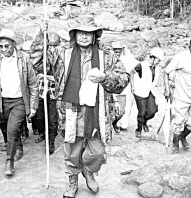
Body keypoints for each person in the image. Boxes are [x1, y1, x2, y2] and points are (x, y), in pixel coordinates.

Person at [38, 16, 129, 198]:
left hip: (97, 112)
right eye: (81, 32)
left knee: (97, 153)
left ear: (95, 35)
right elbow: (38, 61)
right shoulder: (63, 53)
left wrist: (105, 78)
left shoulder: (106, 56)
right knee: (72, 151)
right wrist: (42, 34)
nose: (84, 36)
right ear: (74, 34)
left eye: (88, 33)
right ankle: (72, 180)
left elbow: (124, 78)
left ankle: (89, 171)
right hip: (71, 110)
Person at [0, 29, 38, 177]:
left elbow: (33, 84)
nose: (4, 49)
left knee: (12, 129)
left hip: (19, 101)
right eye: (1, 46)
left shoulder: (24, 59)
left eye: (7, 46)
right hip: (2, 101)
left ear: (13, 44)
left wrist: (33, 105)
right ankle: (18, 147)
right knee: (5, 128)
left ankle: (9, 161)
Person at [29, 32, 60, 155]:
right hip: (41, 91)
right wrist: (42, 32)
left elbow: (61, 76)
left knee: (52, 120)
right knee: (40, 117)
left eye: (54, 46)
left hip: (54, 93)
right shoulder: (42, 57)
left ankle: (50, 143)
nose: (52, 49)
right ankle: (43, 134)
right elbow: (35, 64)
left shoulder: (61, 56)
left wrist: (51, 78)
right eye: (50, 46)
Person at [131, 47, 164, 138]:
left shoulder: (156, 67)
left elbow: (154, 80)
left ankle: (144, 121)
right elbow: (131, 72)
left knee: (152, 111)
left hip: (149, 90)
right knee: (141, 112)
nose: (159, 62)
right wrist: (132, 85)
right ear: (152, 58)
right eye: (158, 60)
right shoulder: (141, 65)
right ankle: (139, 129)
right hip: (140, 91)